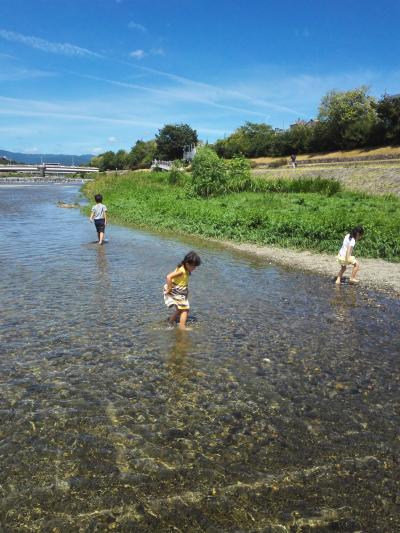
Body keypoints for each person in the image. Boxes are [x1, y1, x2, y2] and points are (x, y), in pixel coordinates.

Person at [164, 251, 201, 329]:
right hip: (176, 290)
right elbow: (169, 277)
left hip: (180, 291)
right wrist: (169, 289)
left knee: (179, 309)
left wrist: (186, 293)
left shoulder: (186, 270)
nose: (194, 268)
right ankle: (182, 327)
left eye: (195, 267)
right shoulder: (182, 271)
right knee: (185, 310)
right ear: (187, 264)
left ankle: (170, 322)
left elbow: (183, 282)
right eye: (193, 266)